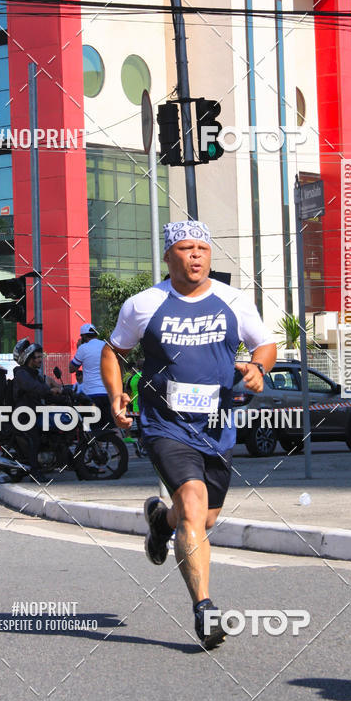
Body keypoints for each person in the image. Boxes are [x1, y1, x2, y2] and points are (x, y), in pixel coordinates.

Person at [101, 220, 276, 650]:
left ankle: (161, 522)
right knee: (193, 504)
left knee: (204, 519)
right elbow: (113, 351)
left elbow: (265, 344)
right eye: (185, 248)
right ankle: (205, 609)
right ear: (168, 256)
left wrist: (259, 368)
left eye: (202, 248)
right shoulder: (144, 304)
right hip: (165, 424)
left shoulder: (233, 300)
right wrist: (116, 393)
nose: (195, 255)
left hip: (217, 425)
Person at [12, 339, 61, 480]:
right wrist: (50, 391)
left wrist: (64, 395)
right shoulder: (22, 373)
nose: (40, 360)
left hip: (34, 411)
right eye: (37, 357)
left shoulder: (34, 374)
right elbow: (34, 388)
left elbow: (44, 392)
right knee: (35, 439)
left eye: (41, 357)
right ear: (29, 359)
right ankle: (35, 472)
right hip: (24, 414)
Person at [69, 324, 112, 434]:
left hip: (91, 395)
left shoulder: (83, 348)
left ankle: (96, 445)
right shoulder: (106, 346)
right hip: (107, 393)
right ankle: (119, 444)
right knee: (112, 427)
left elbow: (71, 369)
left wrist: (78, 349)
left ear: (84, 336)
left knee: (93, 429)